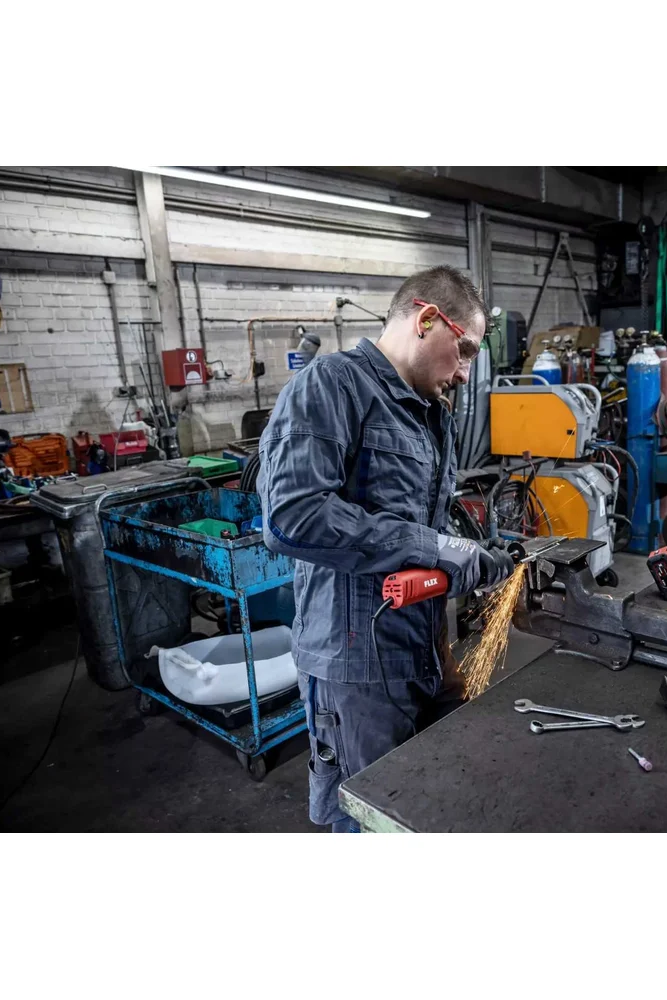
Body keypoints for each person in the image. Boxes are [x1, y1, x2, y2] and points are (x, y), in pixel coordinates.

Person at [258, 265, 516, 831]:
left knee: (436, 801)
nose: (465, 373)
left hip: (424, 646)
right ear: (427, 320)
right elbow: (291, 516)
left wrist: (473, 551)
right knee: (371, 821)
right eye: (465, 351)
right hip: (358, 667)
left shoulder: (429, 412)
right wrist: (434, 546)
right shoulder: (331, 386)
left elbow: (417, 518)